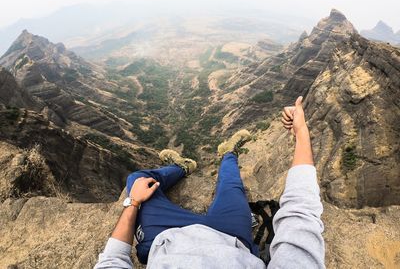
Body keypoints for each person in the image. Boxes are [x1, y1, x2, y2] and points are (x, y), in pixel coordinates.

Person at [94, 96, 325, 268]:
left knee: (137, 180)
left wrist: (133, 203)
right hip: (231, 237)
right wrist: (301, 132)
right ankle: (228, 153)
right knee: (232, 184)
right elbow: (301, 212)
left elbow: (113, 260)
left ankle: (183, 167)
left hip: (164, 237)